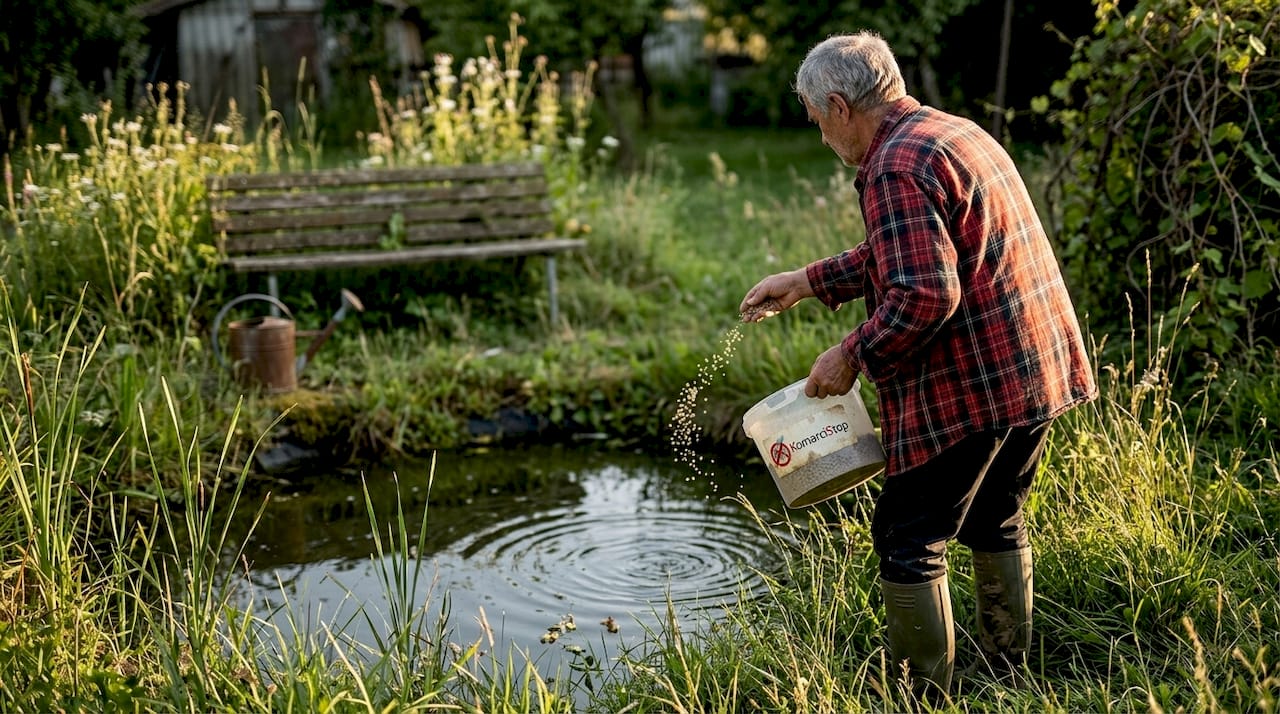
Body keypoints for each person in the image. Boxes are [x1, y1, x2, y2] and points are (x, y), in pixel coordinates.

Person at [739, 32, 1097, 696]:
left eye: (819, 124)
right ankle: (1006, 675)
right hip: (1033, 370)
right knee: (996, 516)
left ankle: (923, 695)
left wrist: (851, 355)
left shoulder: (891, 166)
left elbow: (925, 293)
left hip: (975, 387)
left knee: (909, 541)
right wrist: (811, 279)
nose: (822, 139)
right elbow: (910, 249)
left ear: (840, 106)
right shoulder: (950, 133)